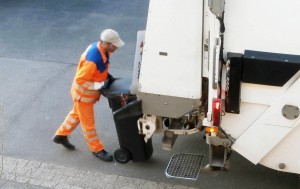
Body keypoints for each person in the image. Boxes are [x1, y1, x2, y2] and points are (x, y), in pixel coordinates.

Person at [52, 29, 124, 162]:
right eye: (114, 45)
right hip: (83, 96)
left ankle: (60, 135)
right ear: (106, 43)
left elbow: (97, 71)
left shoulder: (99, 48)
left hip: (84, 95)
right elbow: (81, 80)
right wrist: (99, 86)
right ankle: (97, 149)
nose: (116, 48)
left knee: (76, 114)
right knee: (88, 124)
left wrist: (106, 77)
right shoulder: (94, 59)